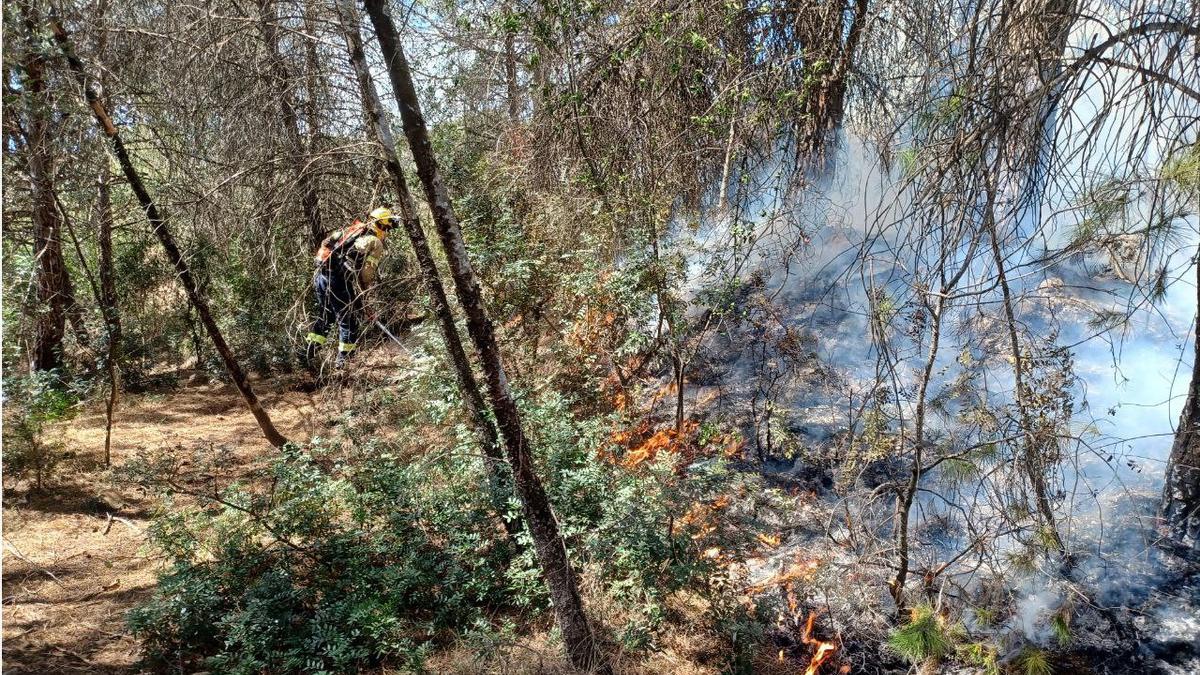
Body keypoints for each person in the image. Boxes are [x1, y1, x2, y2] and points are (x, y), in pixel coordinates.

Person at [304, 207, 394, 369]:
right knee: (349, 323)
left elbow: (328, 247)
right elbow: (366, 275)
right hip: (337, 282)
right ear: (381, 225)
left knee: (326, 317)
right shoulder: (375, 242)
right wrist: (364, 292)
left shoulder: (353, 230)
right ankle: (343, 364)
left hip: (321, 277)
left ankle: (307, 355)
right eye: (387, 228)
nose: (387, 232)